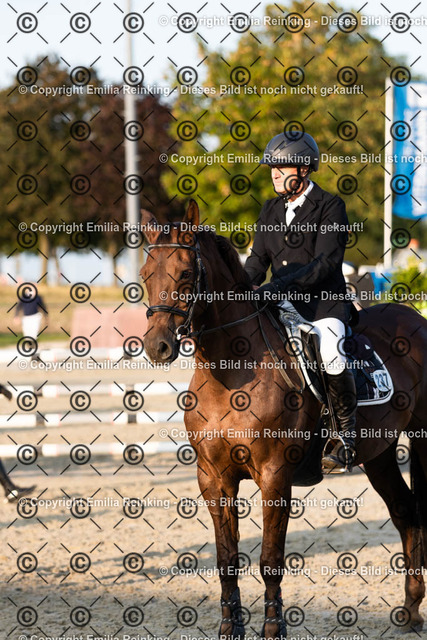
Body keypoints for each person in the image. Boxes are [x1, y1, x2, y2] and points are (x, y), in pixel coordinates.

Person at [244, 132, 357, 471]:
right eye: (272, 168)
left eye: (281, 167)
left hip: (323, 305)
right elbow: (256, 263)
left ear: (304, 169)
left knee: (331, 351)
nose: (274, 174)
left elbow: (325, 264)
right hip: (281, 305)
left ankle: (344, 437)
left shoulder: (330, 206)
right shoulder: (270, 209)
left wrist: (277, 287)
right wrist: (238, 289)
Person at [14, 284, 48, 356]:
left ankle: (33, 349)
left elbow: (43, 307)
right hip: (26, 318)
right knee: (27, 334)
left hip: (35, 317)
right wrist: (16, 316)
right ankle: (30, 348)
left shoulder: (38, 297)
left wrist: (46, 317)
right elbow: (18, 307)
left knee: (34, 333)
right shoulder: (24, 297)